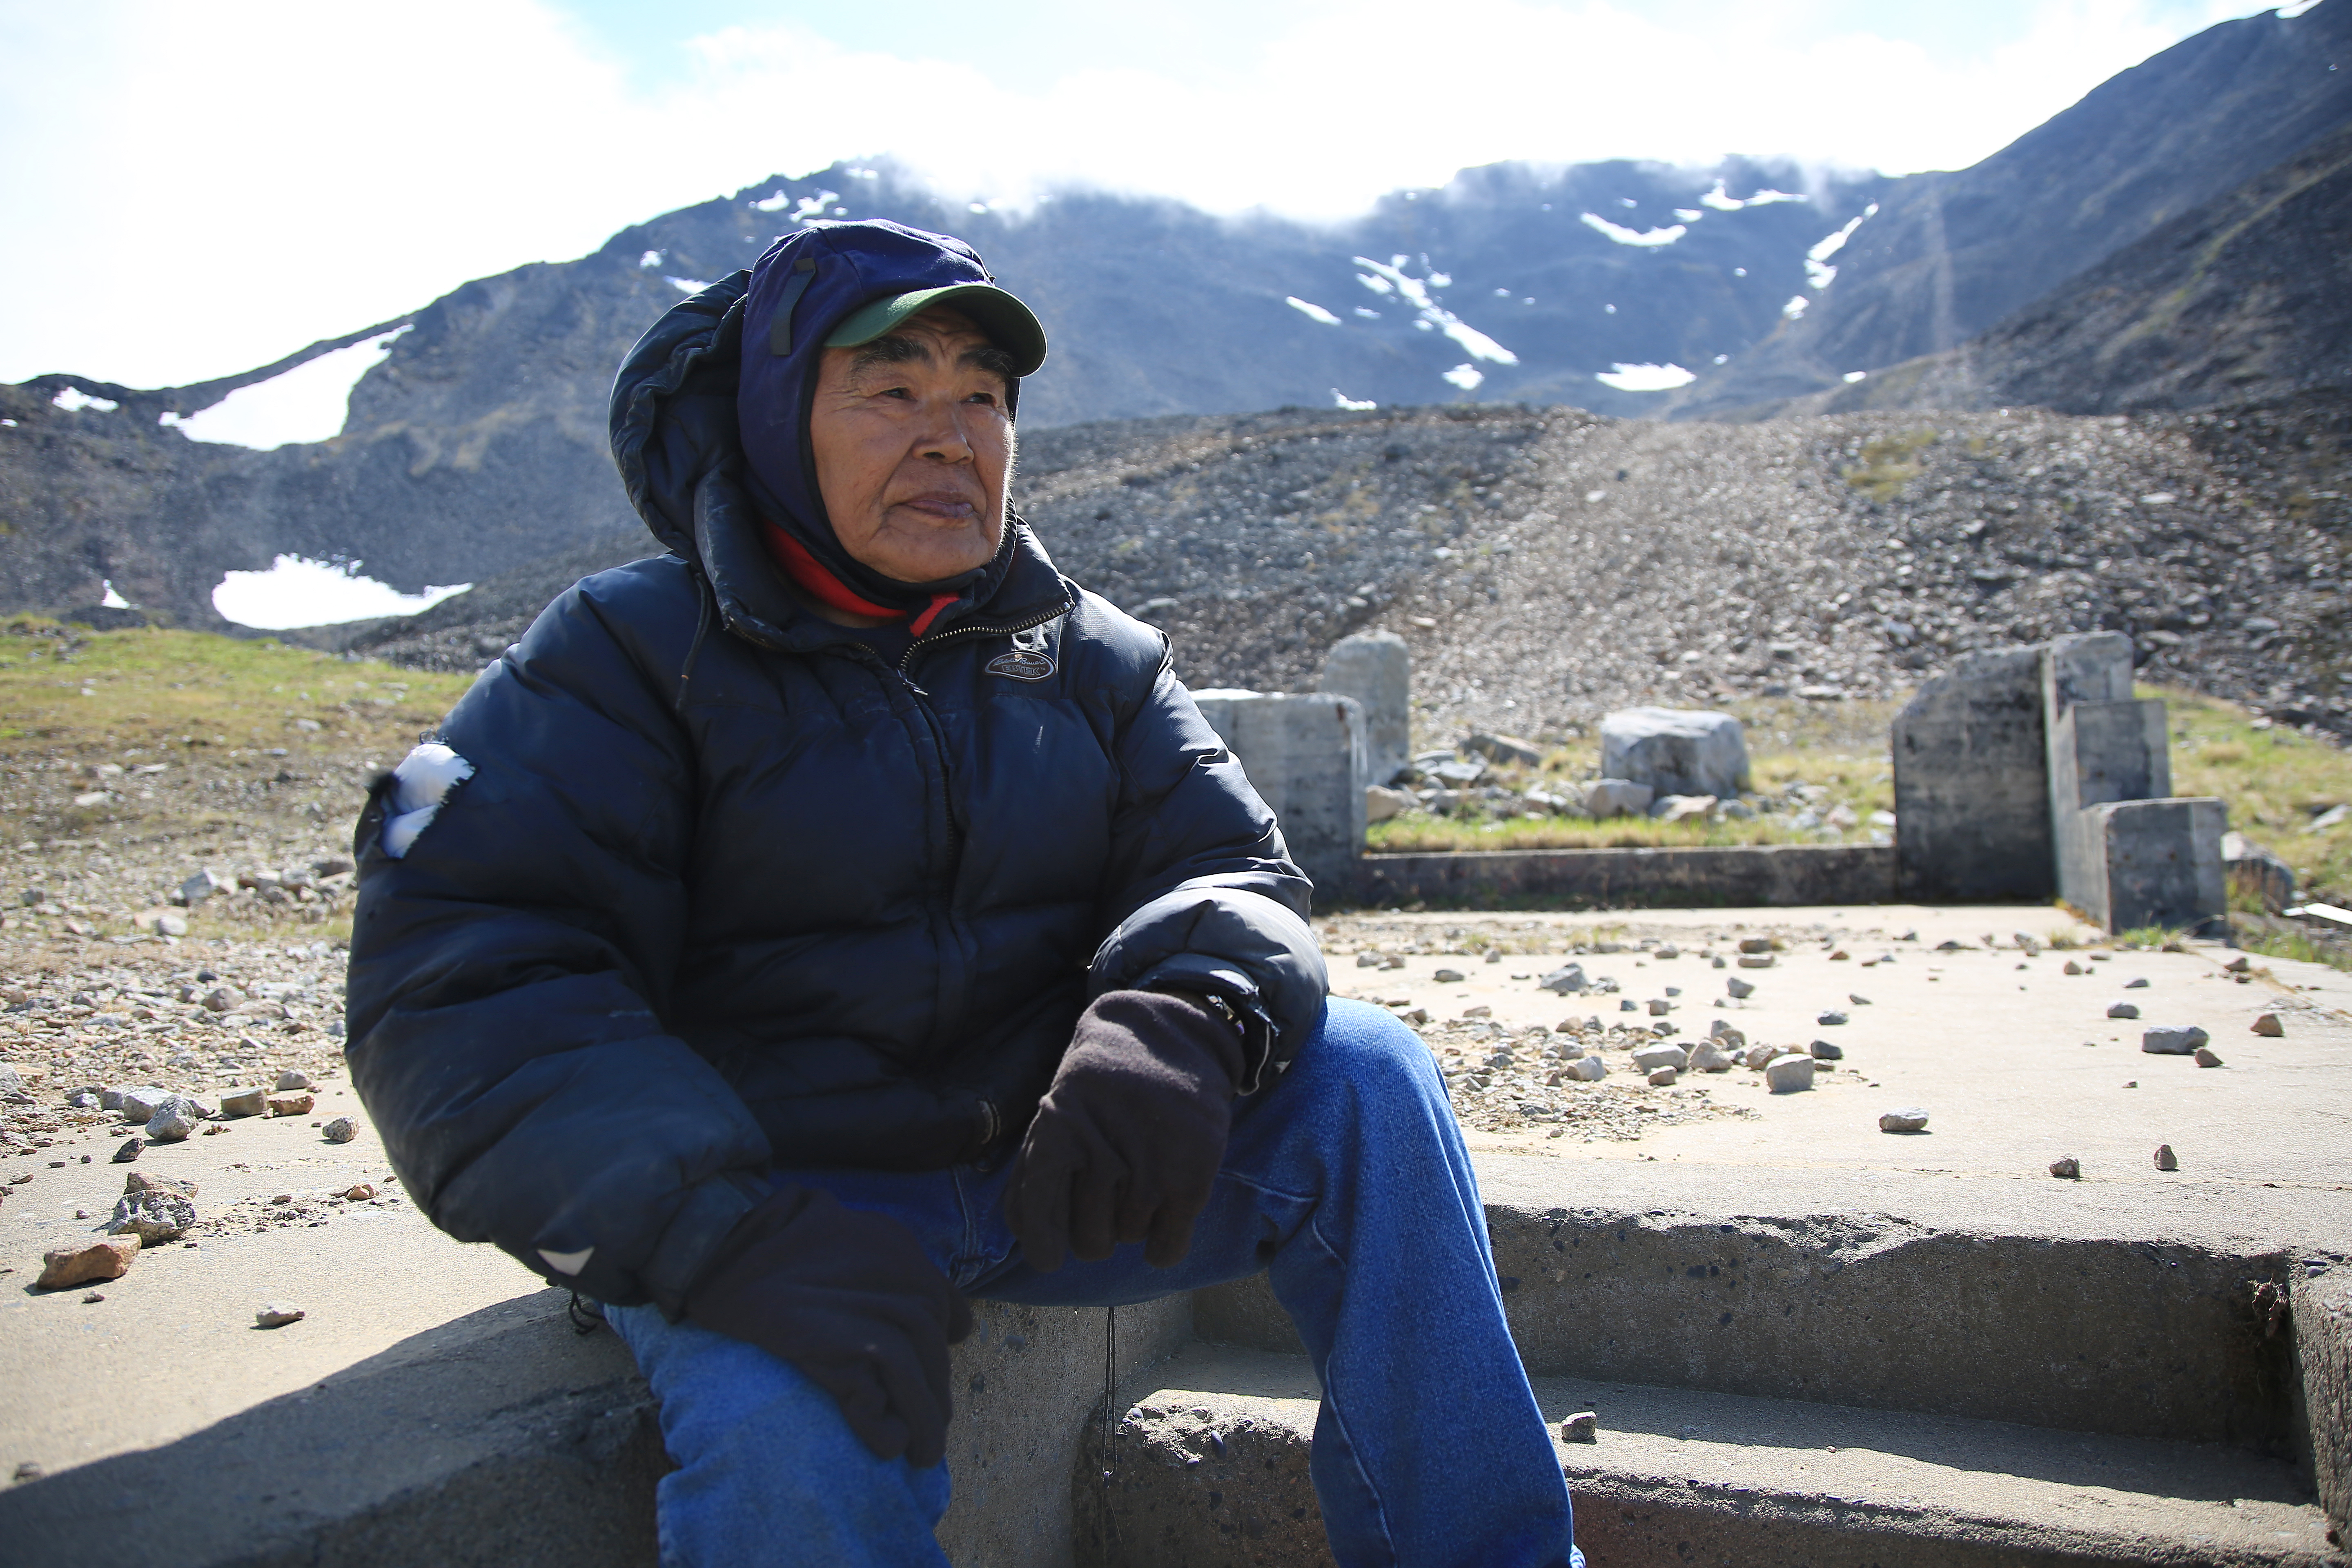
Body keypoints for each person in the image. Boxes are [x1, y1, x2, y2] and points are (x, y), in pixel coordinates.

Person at [345, 219, 1579, 1568]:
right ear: (775, 421)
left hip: (1045, 1171)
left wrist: (1185, 1013)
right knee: (789, 1439)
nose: (951, 436)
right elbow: (467, 981)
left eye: (982, 395)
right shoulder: (628, 657)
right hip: (779, 1211)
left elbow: (1232, 867)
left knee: (1366, 1078)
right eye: (891, 389)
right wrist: (716, 1234)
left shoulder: (1089, 656)